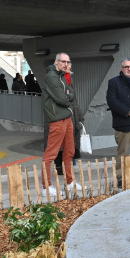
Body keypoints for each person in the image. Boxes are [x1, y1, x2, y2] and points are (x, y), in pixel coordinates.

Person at [41, 53, 76, 195]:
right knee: (51, 153)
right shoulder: (51, 77)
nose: (66, 64)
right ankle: (46, 186)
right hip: (57, 119)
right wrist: (67, 96)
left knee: (69, 151)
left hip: (66, 118)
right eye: (63, 61)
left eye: (68, 62)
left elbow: (72, 93)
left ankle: (70, 182)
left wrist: (67, 95)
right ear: (56, 62)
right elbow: (63, 99)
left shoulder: (61, 76)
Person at [54, 66, 85, 176]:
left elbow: (75, 102)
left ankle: (68, 167)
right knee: (60, 144)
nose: (69, 66)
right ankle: (60, 167)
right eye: (66, 64)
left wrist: (80, 117)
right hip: (61, 117)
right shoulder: (56, 82)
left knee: (70, 143)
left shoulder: (69, 81)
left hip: (72, 116)